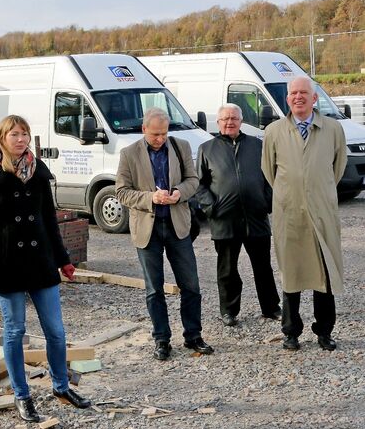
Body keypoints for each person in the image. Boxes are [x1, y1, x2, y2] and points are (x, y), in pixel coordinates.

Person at [0, 115, 90, 423]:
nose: (20, 139)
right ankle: (22, 395)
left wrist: (63, 258)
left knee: (56, 331)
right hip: (7, 263)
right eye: (14, 134)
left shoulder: (37, 170)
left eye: (24, 134)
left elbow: (49, 218)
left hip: (40, 261)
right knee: (14, 330)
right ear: (2, 138)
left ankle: (61, 387)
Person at [116, 107, 213, 360]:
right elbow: (122, 192)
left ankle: (193, 335)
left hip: (177, 226)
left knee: (190, 285)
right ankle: (161, 339)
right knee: (154, 289)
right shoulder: (129, 154)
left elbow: (193, 180)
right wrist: (151, 197)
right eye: (155, 134)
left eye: (164, 133)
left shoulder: (181, 147)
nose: (160, 139)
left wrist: (179, 193)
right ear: (144, 129)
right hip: (147, 229)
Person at [261, 76, 347, 352]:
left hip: (322, 212)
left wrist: (317, 190)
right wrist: (293, 192)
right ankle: (291, 332)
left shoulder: (332, 128)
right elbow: (269, 171)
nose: (298, 97)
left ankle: (324, 331)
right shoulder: (274, 131)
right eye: (294, 93)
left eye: (304, 93)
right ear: (287, 99)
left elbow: (337, 167)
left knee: (325, 273)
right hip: (290, 214)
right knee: (292, 273)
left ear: (314, 98)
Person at [195, 104, 281, 326]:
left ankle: (271, 307)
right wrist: (212, 208)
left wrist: (266, 202)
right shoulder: (207, 149)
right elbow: (199, 185)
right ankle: (229, 311)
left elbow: (271, 176)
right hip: (224, 220)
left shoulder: (257, 145)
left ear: (241, 121)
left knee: (263, 267)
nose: (229, 122)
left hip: (256, 218)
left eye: (234, 118)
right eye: (225, 119)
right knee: (227, 270)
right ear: (218, 122)